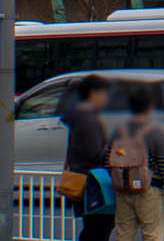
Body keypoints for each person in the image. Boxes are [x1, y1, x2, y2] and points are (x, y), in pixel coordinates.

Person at [110, 87, 164, 241]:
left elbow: (109, 159)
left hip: (123, 190)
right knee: (152, 235)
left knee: (124, 235)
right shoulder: (156, 132)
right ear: (150, 107)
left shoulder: (119, 131)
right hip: (149, 189)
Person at [65, 75, 115, 241]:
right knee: (99, 229)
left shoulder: (79, 117)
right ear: (94, 93)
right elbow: (95, 153)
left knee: (92, 229)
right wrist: (112, 154)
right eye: (105, 94)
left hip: (84, 181)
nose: (106, 99)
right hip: (95, 185)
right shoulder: (89, 120)